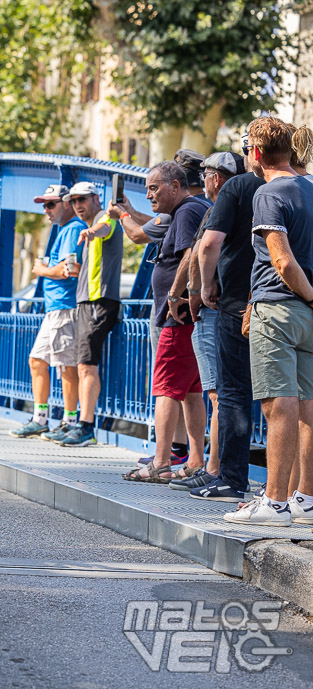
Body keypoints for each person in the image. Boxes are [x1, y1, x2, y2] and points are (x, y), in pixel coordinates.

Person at [223, 117, 313, 525]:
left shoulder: (268, 192)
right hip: (309, 316)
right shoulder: (311, 189)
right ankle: (305, 500)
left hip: (278, 308)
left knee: (279, 403)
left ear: (257, 153)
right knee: (309, 405)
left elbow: (281, 260)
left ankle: (274, 502)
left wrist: (309, 293)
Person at [116, 162, 207, 482]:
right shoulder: (194, 208)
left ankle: (160, 462)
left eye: (154, 188)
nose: (148, 194)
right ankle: (195, 460)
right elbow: (147, 229)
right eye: (147, 188)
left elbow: (189, 255)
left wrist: (175, 294)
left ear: (175, 185)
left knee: (167, 388)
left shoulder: (185, 212)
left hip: (178, 316)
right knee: (192, 391)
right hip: (192, 316)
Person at [167, 151, 247, 494]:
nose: (206, 180)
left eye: (209, 174)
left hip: (216, 308)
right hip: (237, 305)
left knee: (218, 392)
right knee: (225, 392)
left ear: (215, 178)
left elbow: (201, 248)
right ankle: (211, 465)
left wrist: (192, 292)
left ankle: (214, 468)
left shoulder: (221, 206)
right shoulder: (252, 198)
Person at [10, 184, 85, 439]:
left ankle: (69, 421)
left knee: (66, 366)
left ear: (67, 203)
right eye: (44, 205)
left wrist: (41, 269)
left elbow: (68, 269)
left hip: (66, 307)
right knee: (37, 360)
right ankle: (41, 418)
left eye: (51, 204)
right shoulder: (64, 229)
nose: (46, 210)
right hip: (55, 308)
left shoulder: (74, 227)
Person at [58, 182, 122, 447]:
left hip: (99, 302)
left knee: (86, 365)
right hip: (88, 302)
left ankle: (86, 426)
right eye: (73, 202)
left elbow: (104, 229)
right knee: (82, 364)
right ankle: (78, 423)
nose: (77, 205)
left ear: (97, 198)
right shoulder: (90, 226)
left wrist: (92, 231)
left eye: (82, 199)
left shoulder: (105, 219)